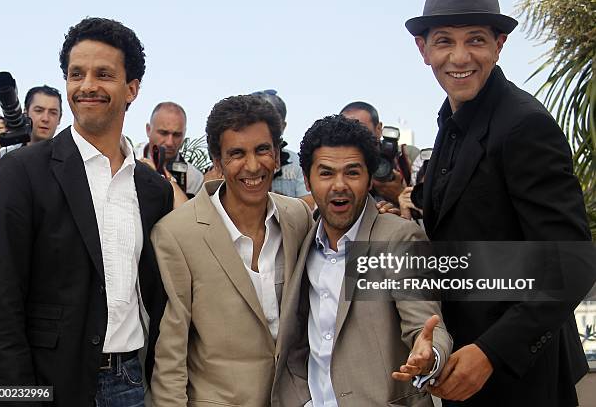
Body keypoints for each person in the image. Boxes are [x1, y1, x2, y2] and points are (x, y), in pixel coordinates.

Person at [405, 0, 593, 405]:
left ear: (499, 45)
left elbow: (573, 261)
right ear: (424, 50)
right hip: (463, 365)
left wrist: (491, 352)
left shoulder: (523, 123)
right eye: (444, 42)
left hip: (520, 373)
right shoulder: (451, 123)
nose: (459, 57)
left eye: (475, 40)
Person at [0, 17, 173, 407]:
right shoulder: (22, 171)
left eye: (103, 74)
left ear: (132, 89)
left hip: (131, 384)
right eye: (76, 73)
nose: (87, 85)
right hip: (48, 385)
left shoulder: (153, 190)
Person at [272, 115, 452, 406]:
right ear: (307, 180)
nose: (339, 185)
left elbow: (425, 324)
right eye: (326, 173)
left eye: (352, 173)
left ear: (369, 179)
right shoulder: (300, 239)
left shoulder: (395, 239)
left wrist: (430, 357)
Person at [150, 95, 313, 406]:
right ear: (217, 160)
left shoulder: (298, 218)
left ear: (277, 155)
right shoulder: (176, 234)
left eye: (262, 150)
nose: (252, 166)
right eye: (237, 153)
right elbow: (170, 355)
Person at [0, 85, 62, 207]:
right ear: (25, 113)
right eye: (39, 110)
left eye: (53, 112)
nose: (45, 118)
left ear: (59, 119)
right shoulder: (7, 157)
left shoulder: (66, 159)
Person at [252, 89, 316, 209]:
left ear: (283, 126)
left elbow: (309, 205)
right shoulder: (230, 161)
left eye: (270, 123)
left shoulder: (297, 162)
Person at [135, 102, 204, 206]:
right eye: (163, 133)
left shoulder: (194, 177)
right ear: (148, 130)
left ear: (184, 133)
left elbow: (191, 219)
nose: (169, 142)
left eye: (177, 135)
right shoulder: (129, 160)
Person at [340, 101, 407, 205]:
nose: (354, 137)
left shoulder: (406, 158)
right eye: (346, 131)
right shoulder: (334, 163)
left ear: (379, 129)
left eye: (361, 130)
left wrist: (400, 194)